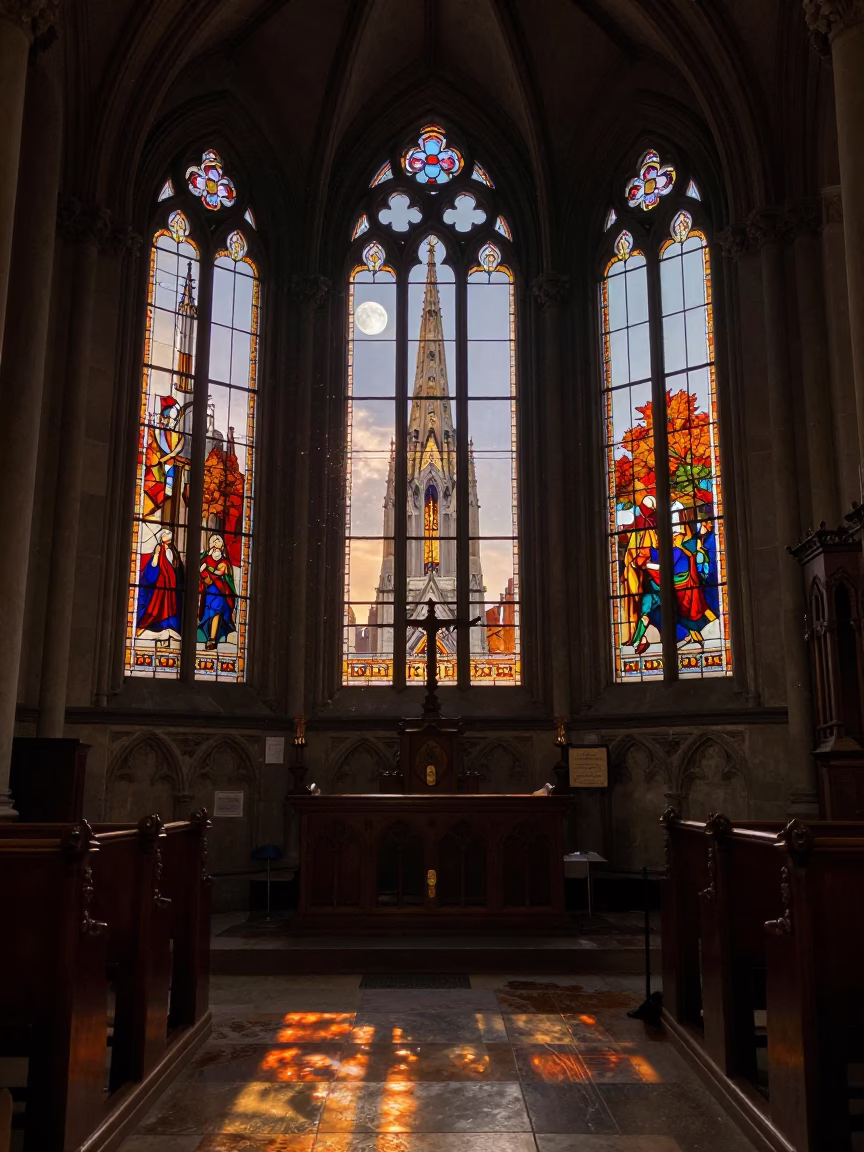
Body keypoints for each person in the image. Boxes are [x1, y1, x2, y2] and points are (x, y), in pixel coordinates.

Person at [136, 528, 183, 646]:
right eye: (165, 540)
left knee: (171, 609)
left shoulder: (173, 552)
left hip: (170, 589)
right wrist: (157, 554)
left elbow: (177, 569)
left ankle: (170, 630)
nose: (166, 546)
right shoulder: (158, 551)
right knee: (157, 607)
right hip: (159, 588)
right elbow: (151, 573)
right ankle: (156, 630)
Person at [142, 395, 187, 519]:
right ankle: (149, 513)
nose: (171, 422)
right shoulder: (155, 432)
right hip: (156, 472)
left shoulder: (176, 436)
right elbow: (153, 456)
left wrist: (173, 457)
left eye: (174, 419)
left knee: (168, 493)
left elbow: (174, 453)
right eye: (169, 418)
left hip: (169, 471)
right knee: (158, 492)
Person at [197, 533, 237, 650]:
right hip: (208, 592)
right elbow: (201, 572)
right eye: (212, 542)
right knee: (208, 613)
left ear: (222, 547)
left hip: (220, 592)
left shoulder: (224, 562)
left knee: (216, 611)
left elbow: (220, 573)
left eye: (217, 541)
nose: (215, 543)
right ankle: (209, 636)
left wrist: (207, 568)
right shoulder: (206, 558)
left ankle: (212, 639)